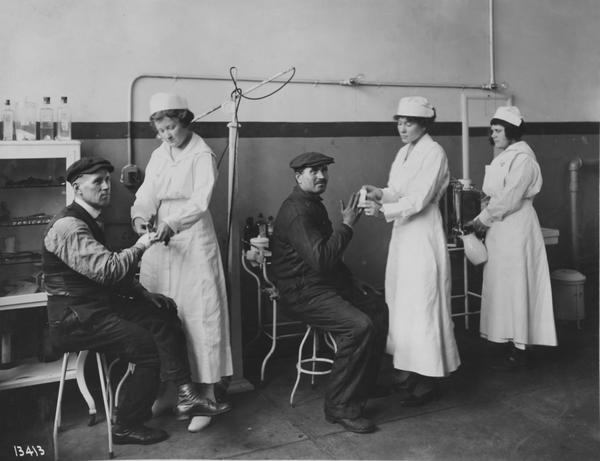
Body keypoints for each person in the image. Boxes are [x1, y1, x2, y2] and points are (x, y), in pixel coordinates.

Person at [43, 157, 231, 446]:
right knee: (146, 347)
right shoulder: (69, 226)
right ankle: (126, 425)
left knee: (163, 313)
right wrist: (141, 245)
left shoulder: (91, 219)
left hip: (94, 309)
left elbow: (111, 277)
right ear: (77, 187)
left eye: (108, 179)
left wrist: (145, 296)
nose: (106, 187)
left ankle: (186, 394)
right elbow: (108, 270)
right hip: (73, 319)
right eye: (97, 182)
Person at [131, 92, 233, 432]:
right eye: (160, 130)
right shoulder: (160, 153)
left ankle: (206, 396)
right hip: (161, 242)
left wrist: (173, 223)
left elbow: (201, 201)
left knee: (198, 315)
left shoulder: (201, 153)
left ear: (184, 120)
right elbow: (146, 193)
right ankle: (171, 390)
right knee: (161, 313)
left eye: (171, 127)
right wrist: (140, 217)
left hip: (191, 239)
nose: (166, 136)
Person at [271, 152, 389, 434]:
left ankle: (362, 386)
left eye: (324, 170)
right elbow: (322, 258)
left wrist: (351, 280)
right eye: (314, 171)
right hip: (302, 294)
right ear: (298, 176)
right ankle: (339, 406)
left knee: (376, 307)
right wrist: (347, 225)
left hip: (320, 285)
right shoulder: (298, 211)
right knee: (358, 327)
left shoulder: (311, 204)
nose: (322, 176)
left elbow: (328, 259)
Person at [360, 96, 460, 405]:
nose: (402, 128)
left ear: (424, 124)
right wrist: (382, 194)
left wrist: (383, 210)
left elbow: (418, 200)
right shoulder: (404, 151)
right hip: (403, 234)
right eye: (399, 122)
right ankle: (407, 372)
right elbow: (398, 192)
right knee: (402, 304)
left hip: (422, 234)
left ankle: (427, 379)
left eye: (409, 123)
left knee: (423, 305)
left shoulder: (434, 152)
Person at [468, 106, 557, 369]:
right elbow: (496, 194)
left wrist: (479, 221)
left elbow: (510, 198)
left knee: (518, 285)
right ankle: (504, 339)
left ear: (512, 131)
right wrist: (485, 210)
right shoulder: (505, 157)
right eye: (492, 131)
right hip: (500, 229)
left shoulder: (524, 159)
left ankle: (522, 347)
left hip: (517, 228)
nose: (493, 135)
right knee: (501, 286)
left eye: (498, 131)